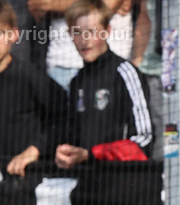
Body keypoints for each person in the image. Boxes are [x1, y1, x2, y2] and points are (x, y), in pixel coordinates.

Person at [0, 0, 67, 177]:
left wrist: (34, 150)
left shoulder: (29, 75)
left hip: (29, 172)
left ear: (14, 35)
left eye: (0, 33)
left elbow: (64, 117)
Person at [53, 0, 152, 169]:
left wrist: (92, 154)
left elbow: (143, 140)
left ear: (107, 31)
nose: (85, 40)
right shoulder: (77, 82)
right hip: (87, 185)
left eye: (92, 32)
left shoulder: (125, 73)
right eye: (78, 33)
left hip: (123, 182)